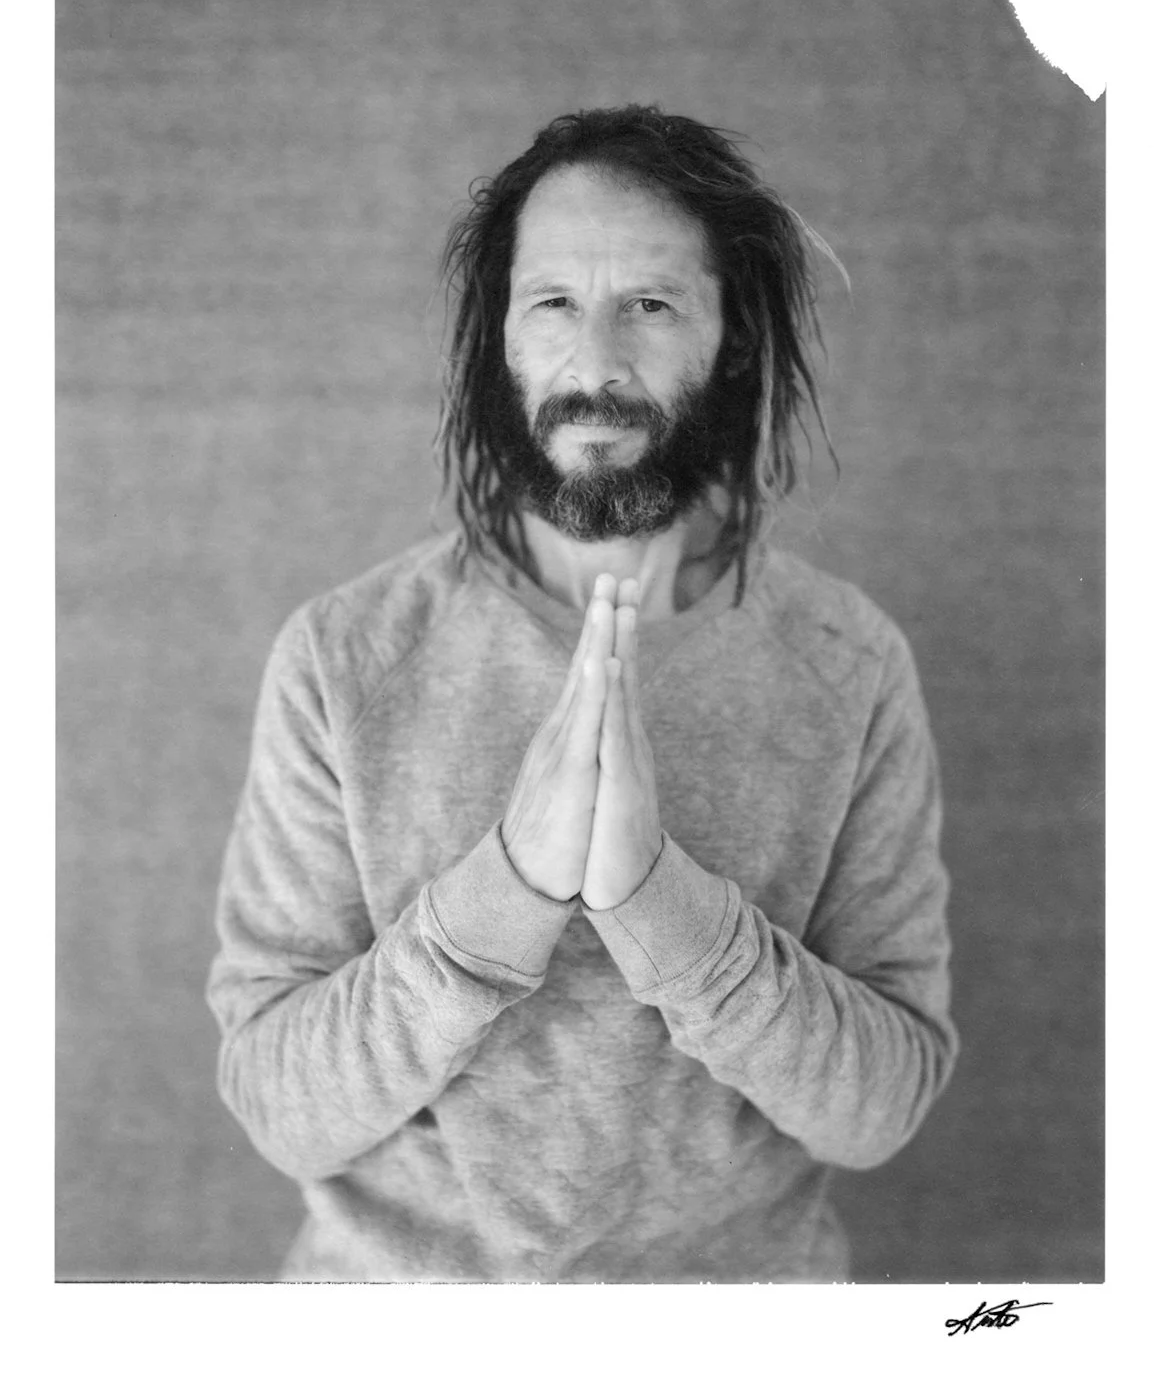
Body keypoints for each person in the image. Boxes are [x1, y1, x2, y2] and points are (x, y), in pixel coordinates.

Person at [207, 104, 958, 1283]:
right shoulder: (344, 655)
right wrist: (505, 890)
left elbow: (880, 1110)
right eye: (553, 301)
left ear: (733, 340)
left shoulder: (847, 662)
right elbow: (278, 1107)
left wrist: (657, 897)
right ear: (498, 337)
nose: (595, 364)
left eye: (650, 305)